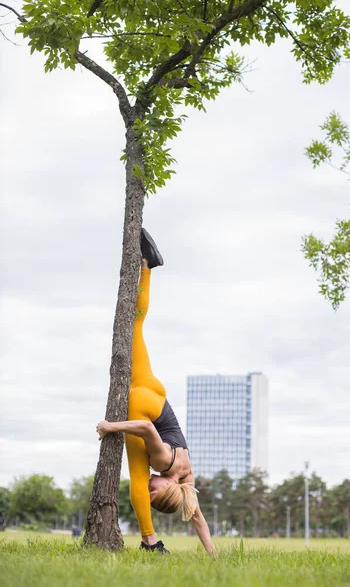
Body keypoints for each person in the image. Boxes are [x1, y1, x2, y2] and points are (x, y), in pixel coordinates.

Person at [96, 229, 215, 555]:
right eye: (156, 490)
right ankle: (150, 541)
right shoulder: (165, 462)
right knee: (135, 473)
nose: (153, 486)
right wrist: (111, 426)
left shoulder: (187, 482)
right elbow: (147, 428)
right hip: (143, 405)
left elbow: (198, 520)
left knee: (135, 325)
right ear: (169, 485)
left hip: (157, 393)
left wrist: (214, 557)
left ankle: (147, 264)